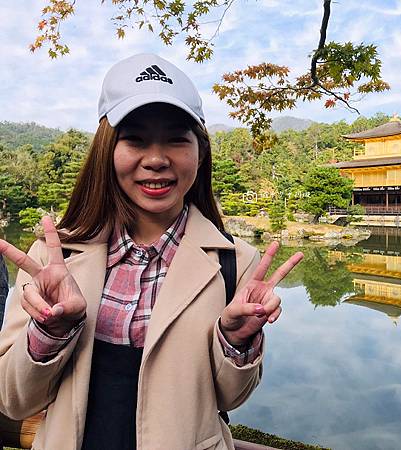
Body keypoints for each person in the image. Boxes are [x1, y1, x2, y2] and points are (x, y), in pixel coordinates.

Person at [0, 53, 303, 450]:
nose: (157, 159)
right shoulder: (53, 258)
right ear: (107, 150)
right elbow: (13, 399)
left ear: (200, 151)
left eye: (177, 139)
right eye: (135, 140)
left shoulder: (235, 261)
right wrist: (51, 330)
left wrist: (235, 340)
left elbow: (232, 398)